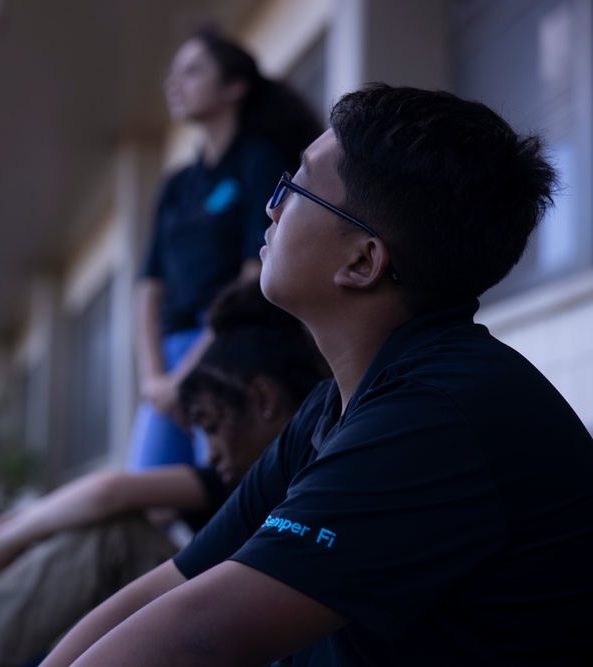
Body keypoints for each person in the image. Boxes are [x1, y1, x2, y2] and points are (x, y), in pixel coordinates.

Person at [42, 84, 593, 666]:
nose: (271, 206)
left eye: (297, 186)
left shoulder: (437, 414)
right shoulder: (336, 405)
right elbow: (179, 582)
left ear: (361, 261)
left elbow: (199, 632)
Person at [0, 281, 328, 667]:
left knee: (115, 535)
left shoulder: (306, 467)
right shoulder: (246, 482)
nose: (211, 451)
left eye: (213, 428)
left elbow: (111, 492)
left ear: (263, 401)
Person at [129, 28, 322, 470]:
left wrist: (189, 373)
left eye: (193, 71)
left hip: (228, 345)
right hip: (171, 358)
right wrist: (156, 378)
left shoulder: (259, 160)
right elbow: (147, 287)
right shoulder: (176, 185)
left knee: (221, 483)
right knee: (147, 487)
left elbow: (254, 271)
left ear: (233, 87)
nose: (174, 83)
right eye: (173, 74)